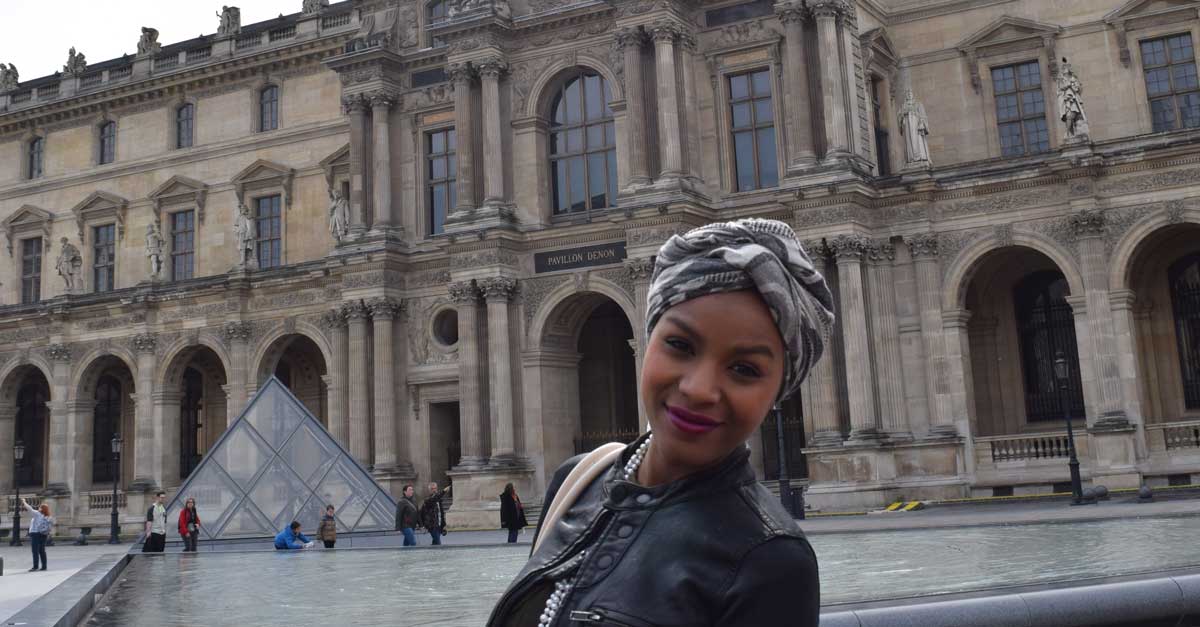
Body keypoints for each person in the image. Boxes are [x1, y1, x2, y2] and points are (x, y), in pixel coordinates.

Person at [487, 218, 832, 626]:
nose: (700, 389)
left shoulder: (772, 560)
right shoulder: (577, 482)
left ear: (779, 390)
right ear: (648, 339)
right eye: (680, 345)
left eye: (744, 369)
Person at [22, 499, 52, 571]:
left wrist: (24, 502)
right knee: (42, 550)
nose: (38, 508)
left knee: (35, 551)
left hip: (35, 534)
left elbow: (30, 509)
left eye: (40, 507)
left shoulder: (37, 514)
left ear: (41, 509)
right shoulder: (48, 516)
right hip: (44, 534)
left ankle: (35, 566)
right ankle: (44, 566)